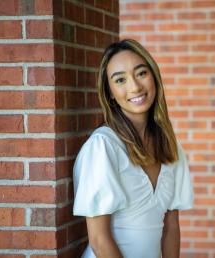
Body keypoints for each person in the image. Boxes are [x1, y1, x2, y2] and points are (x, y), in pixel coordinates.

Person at [72, 39, 194, 258]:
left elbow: (171, 228)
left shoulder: (170, 146)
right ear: (109, 92)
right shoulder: (103, 147)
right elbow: (99, 240)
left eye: (141, 73)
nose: (135, 87)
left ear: (154, 77)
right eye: (120, 80)